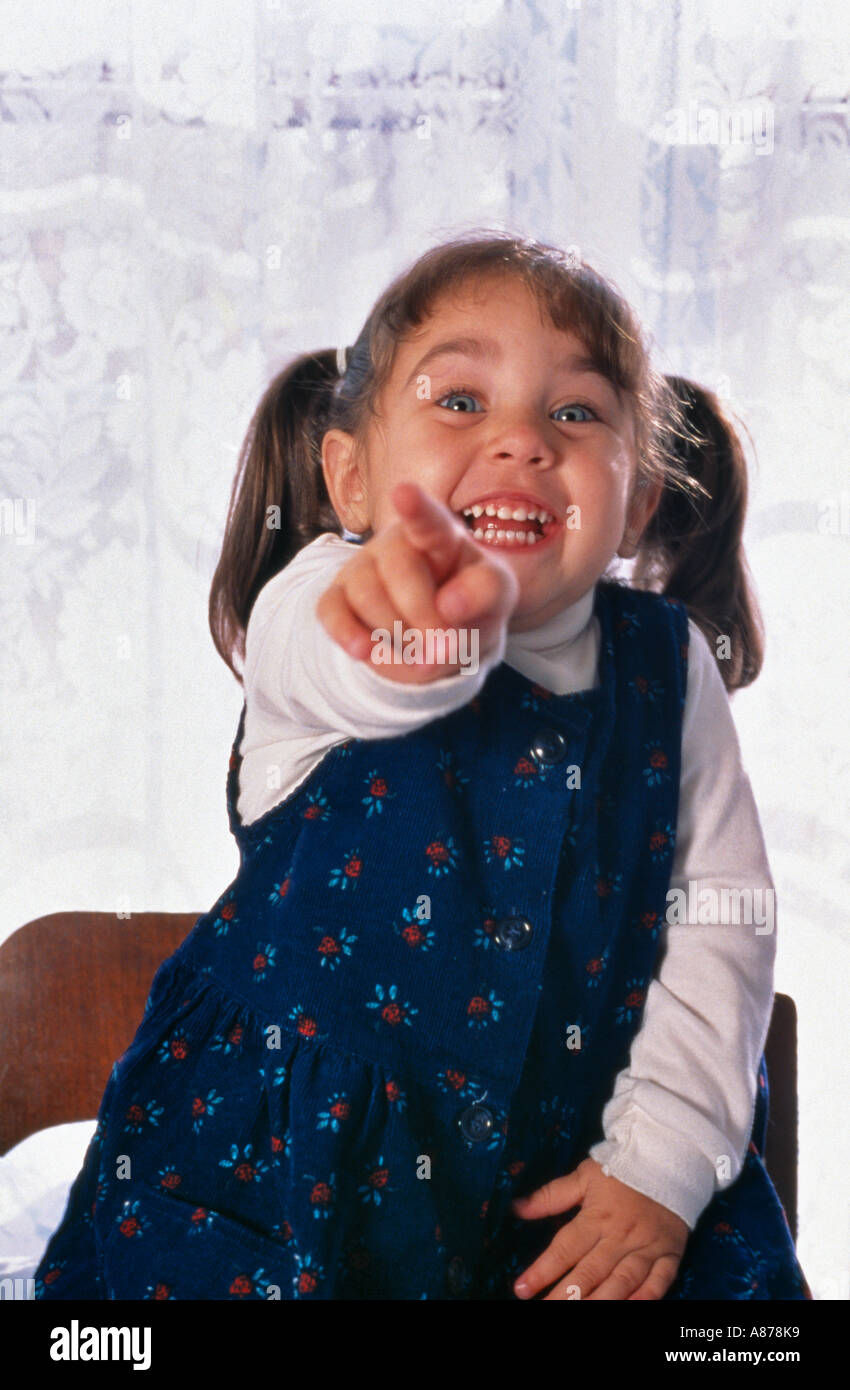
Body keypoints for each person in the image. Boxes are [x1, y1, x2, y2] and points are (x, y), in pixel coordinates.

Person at [34, 233, 811, 1300]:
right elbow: (357, 669)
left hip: (573, 1187)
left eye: (575, 412)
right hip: (288, 1175)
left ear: (635, 503)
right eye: (458, 401)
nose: (520, 442)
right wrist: (419, 642)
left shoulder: (666, 664)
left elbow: (722, 916)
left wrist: (665, 1163)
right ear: (352, 478)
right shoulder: (318, 603)